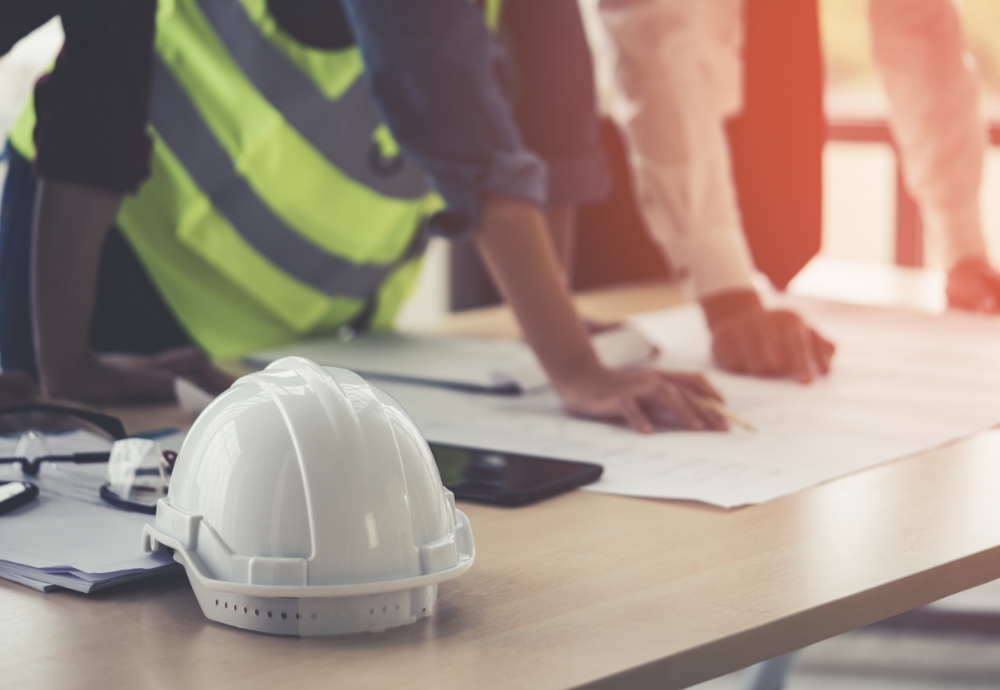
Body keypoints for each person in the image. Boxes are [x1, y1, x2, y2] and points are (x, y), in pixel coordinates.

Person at [0, 0, 727, 432]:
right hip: (100, 265)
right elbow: (451, 101)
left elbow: (552, 140)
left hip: (294, 333)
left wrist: (555, 327)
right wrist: (573, 368)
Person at [593, 0, 997, 379]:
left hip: (763, 209)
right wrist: (723, 290)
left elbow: (920, 27)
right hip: (620, 176)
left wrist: (964, 249)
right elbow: (658, 33)